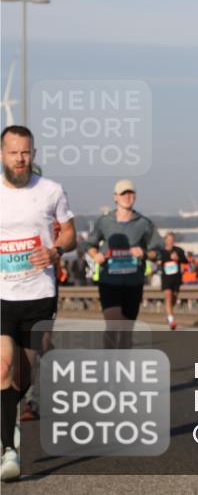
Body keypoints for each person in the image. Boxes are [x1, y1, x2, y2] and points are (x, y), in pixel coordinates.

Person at [1, 126, 76, 482]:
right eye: (13, 152)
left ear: (33, 153)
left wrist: (56, 250)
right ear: (2, 154)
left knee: (23, 374)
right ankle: (9, 448)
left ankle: (10, 413)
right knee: (2, 367)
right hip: (2, 295)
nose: (20, 159)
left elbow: (71, 233)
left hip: (39, 295)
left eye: (25, 152)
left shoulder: (51, 191)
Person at [85, 179, 164, 341]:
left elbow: (158, 251)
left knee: (127, 331)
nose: (127, 197)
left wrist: (144, 253)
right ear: (115, 197)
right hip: (109, 281)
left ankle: (123, 363)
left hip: (133, 281)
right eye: (123, 194)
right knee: (113, 325)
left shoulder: (144, 223)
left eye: (131, 193)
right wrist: (96, 255)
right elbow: (90, 245)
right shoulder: (104, 221)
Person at [158, 232, 188, 330]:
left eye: (172, 240)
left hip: (176, 278)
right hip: (166, 278)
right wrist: (159, 261)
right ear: (165, 240)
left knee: (174, 298)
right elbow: (157, 261)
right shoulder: (161, 252)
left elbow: (185, 261)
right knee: (168, 296)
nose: (170, 242)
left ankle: (169, 313)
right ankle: (171, 320)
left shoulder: (179, 250)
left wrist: (178, 258)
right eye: (169, 240)